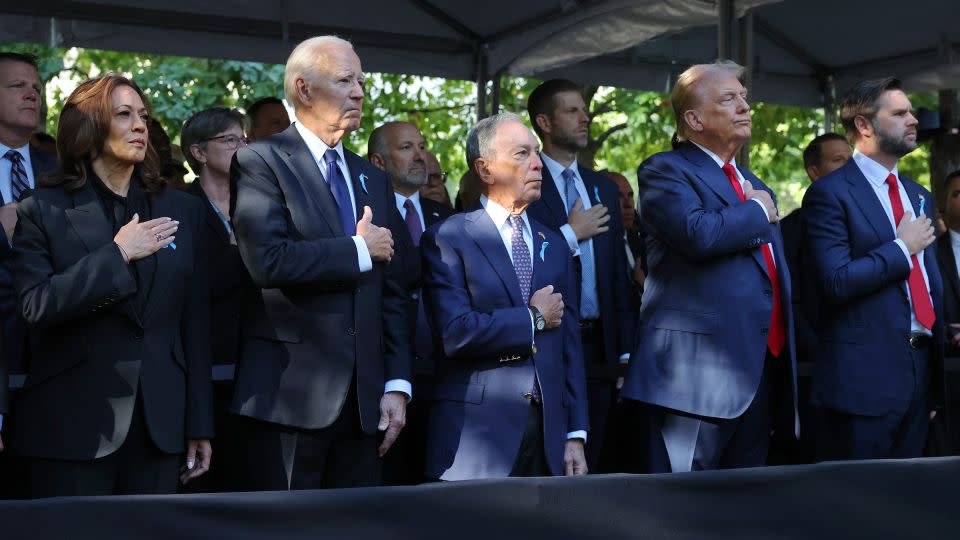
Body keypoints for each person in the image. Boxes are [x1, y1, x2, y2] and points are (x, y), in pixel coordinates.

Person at [9, 74, 213, 497]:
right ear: (88, 127)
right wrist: (117, 254)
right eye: (124, 114)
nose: (140, 125)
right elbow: (35, 306)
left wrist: (199, 423)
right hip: (69, 426)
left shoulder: (182, 209)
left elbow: (193, 323)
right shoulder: (42, 209)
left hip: (160, 426)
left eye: (143, 115)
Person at [230, 35, 412, 490]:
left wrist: (396, 384)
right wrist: (356, 250)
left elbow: (392, 291)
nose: (359, 92)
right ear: (304, 89)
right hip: (290, 399)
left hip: (364, 404)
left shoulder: (372, 177)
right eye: (345, 80)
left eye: (362, 82)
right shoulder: (260, 161)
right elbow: (268, 261)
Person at [622, 61, 798, 473]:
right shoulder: (666, 169)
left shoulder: (755, 184)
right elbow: (697, 233)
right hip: (695, 379)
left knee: (742, 508)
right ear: (694, 119)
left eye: (744, 97)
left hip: (759, 371)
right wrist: (756, 210)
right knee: (683, 510)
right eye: (729, 99)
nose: (745, 107)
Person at [421, 112, 588, 480]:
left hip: (548, 434)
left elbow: (570, 341)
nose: (537, 164)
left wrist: (575, 432)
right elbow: (456, 332)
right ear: (485, 169)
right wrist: (533, 318)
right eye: (522, 154)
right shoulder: (448, 237)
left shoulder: (554, 242)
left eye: (537, 154)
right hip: (476, 435)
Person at [803, 77, 943, 460]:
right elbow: (835, 281)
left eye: (911, 111)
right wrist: (901, 248)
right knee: (859, 508)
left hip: (920, 376)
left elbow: (928, 285)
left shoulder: (919, 194)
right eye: (899, 113)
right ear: (864, 125)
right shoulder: (829, 193)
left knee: (908, 506)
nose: (913, 119)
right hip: (862, 383)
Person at [525, 79, 634, 472]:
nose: (585, 117)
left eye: (584, 109)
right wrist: (571, 234)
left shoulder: (603, 186)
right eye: (572, 110)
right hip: (549, 341)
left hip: (602, 346)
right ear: (545, 122)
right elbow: (523, 257)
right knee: (554, 455)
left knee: (598, 454)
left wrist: (623, 351)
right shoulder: (527, 183)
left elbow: (618, 278)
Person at [368, 120, 453, 484]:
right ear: (378, 162)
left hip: (443, 372)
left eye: (420, 145)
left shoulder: (449, 220)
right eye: (406, 148)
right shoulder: (366, 218)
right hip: (386, 371)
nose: (420, 155)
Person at [0, 52, 57, 451]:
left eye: (36, 88)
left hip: (52, 354)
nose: (31, 94)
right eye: (17, 86)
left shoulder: (63, 169)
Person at [181, 107, 252, 365]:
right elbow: (192, 284)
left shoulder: (260, 203)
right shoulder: (181, 209)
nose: (242, 147)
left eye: (243, 139)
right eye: (230, 140)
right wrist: (238, 249)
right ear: (199, 152)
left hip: (258, 353)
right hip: (207, 353)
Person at [937, 170, 960, 357]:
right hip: (949, 361)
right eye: (958, 194)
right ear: (942, 206)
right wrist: (947, 332)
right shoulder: (928, 254)